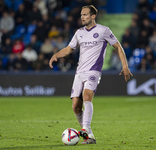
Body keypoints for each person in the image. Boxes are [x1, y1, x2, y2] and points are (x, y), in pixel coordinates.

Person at [49, 5, 133, 144]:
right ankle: (90, 136)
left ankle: (86, 128)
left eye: (85, 14)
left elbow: (118, 46)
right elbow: (69, 49)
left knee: (87, 96)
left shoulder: (103, 30)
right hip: (79, 72)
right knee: (76, 105)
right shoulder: (79, 32)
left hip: (93, 71)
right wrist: (56, 55)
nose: (82, 17)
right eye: (81, 15)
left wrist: (125, 66)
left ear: (93, 16)